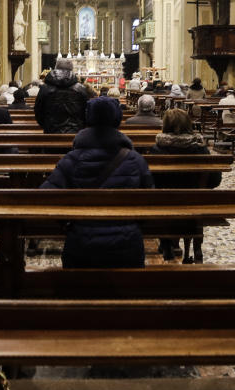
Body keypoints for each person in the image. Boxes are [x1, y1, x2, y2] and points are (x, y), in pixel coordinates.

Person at [41, 97, 153, 268]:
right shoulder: (135, 160)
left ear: (88, 119)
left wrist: (69, 224)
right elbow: (150, 202)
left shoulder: (71, 160)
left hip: (81, 245)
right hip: (127, 246)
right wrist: (131, 226)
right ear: (117, 120)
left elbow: (46, 197)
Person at [150, 109, 220, 263]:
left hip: (166, 205)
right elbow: (215, 180)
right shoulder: (201, 149)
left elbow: (151, 182)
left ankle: (169, 243)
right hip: (195, 204)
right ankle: (195, 248)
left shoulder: (157, 149)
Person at [34, 57, 89, 133]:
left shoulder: (45, 88)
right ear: (72, 69)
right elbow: (86, 112)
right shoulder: (80, 88)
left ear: (55, 68)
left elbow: (38, 111)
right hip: (75, 132)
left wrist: (47, 125)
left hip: (51, 132)